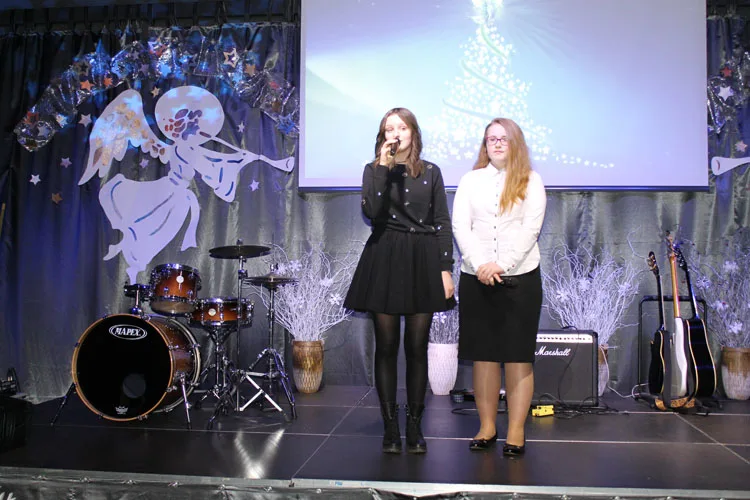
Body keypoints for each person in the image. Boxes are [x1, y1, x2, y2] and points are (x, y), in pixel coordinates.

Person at [344, 108, 455, 454]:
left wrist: (446, 268)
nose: (395, 133)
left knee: (417, 347)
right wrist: (383, 166)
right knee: (387, 346)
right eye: (388, 129)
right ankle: (390, 426)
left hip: (422, 259)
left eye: (401, 127)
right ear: (383, 137)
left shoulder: (431, 172)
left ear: (413, 133)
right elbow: (372, 212)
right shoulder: (373, 169)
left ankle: (415, 425)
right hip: (386, 256)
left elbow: (441, 221)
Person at [452, 117, 546, 457]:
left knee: (518, 358)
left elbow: (530, 229)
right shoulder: (470, 180)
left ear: (515, 143)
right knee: (484, 358)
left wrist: (501, 264)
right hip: (476, 278)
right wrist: (481, 265)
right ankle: (487, 426)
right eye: (491, 139)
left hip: (520, 278)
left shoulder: (531, 180)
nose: (496, 144)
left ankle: (516, 431)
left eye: (503, 138)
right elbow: (460, 226)